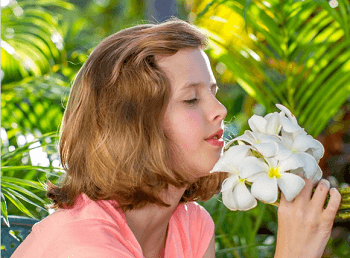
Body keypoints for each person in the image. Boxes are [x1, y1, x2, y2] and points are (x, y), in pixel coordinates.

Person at [11, 17, 341, 258]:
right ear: (135, 127)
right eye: (191, 99)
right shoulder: (83, 247)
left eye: (212, 93)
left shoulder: (190, 226)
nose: (221, 110)